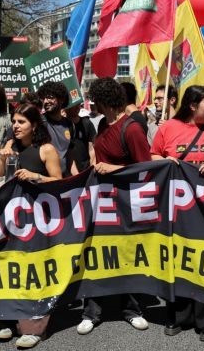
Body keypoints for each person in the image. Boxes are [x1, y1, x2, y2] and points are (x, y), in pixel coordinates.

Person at [150, 85, 204, 343]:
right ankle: (178, 315)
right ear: (192, 105)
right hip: (176, 210)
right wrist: (164, 162)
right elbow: (153, 155)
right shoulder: (168, 128)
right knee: (178, 260)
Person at [76, 78, 150, 336]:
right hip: (101, 202)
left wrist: (114, 169)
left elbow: (146, 168)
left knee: (125, 257)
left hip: (126, 204)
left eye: (96, 100)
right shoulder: (101, 126)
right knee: (96, 256)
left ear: (106, 101)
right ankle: (91, 312)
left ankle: (131, 309)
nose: (93, 105)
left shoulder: (131, 129)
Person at [0, 104, 63, 349]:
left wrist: (37, 177)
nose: (15, 125)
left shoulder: (46, 150)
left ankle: (33, 327)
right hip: (11, 218)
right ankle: (8, 318)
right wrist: (2, 157)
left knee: (34, 271)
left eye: (21, 121)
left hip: (38, 219)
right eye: (14, 121)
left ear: (34, 125)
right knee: (10, 267)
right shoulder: (10, 147)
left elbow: (59, 183)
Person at [37, 81, 78, 176]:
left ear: (62, 99)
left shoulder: (70, 125)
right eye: (44, 98)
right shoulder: (39, 122)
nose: (46, 101)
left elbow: (69, 157)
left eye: (50, 97)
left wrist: (77, 178)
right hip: (43, 180)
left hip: (63, 181)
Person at [66, 101, 96, 172]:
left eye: (78, 104)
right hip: (69, 173)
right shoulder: (62, 127)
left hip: (86, 170)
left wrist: (93, 167)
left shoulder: (87, 123)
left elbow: (92, 148)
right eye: (73, 105)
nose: (77, 107)